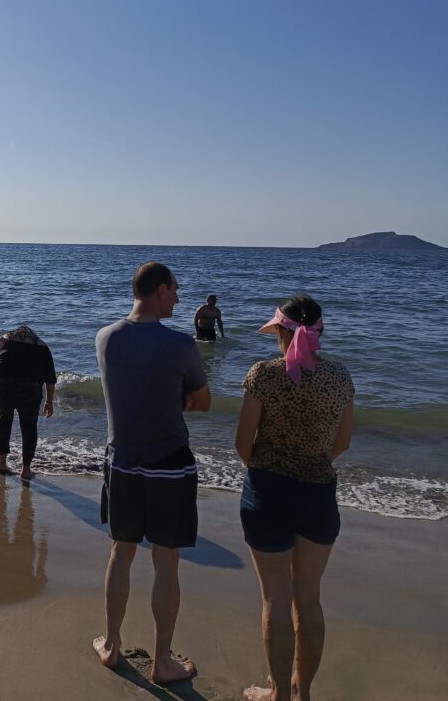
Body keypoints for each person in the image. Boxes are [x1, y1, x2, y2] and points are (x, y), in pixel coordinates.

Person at [93, 262, 211, 684]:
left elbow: (130, 392)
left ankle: (111, 644)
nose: (179, 298)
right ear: (160, 290)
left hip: (122, 461)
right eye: (176, 290)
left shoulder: (105, 337)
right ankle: (162, 660)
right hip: (169, 465)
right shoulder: (181, 345)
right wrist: (175, 399)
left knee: (121, 552)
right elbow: (203, 401)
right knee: (166, 561)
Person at [234, 295, 354, 701]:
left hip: (268, 493)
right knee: (310, 601)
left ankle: (279, 695)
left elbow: (242, 443)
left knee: (276, 600)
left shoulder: (263, 375)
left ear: (281, 331)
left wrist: (269, 471)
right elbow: (342, 442)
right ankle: (303, 696)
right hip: (319, 494)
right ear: (319, 332)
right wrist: (310, 466)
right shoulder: (340, 377)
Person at [0, 326, 57, 480]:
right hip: (29, 388)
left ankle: (1, 464)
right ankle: (25, 470)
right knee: (29, 427)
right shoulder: (42, 347)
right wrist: (49, 402)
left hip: (1, 383)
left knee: (3, 421)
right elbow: (50, 379)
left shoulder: (2, 341)